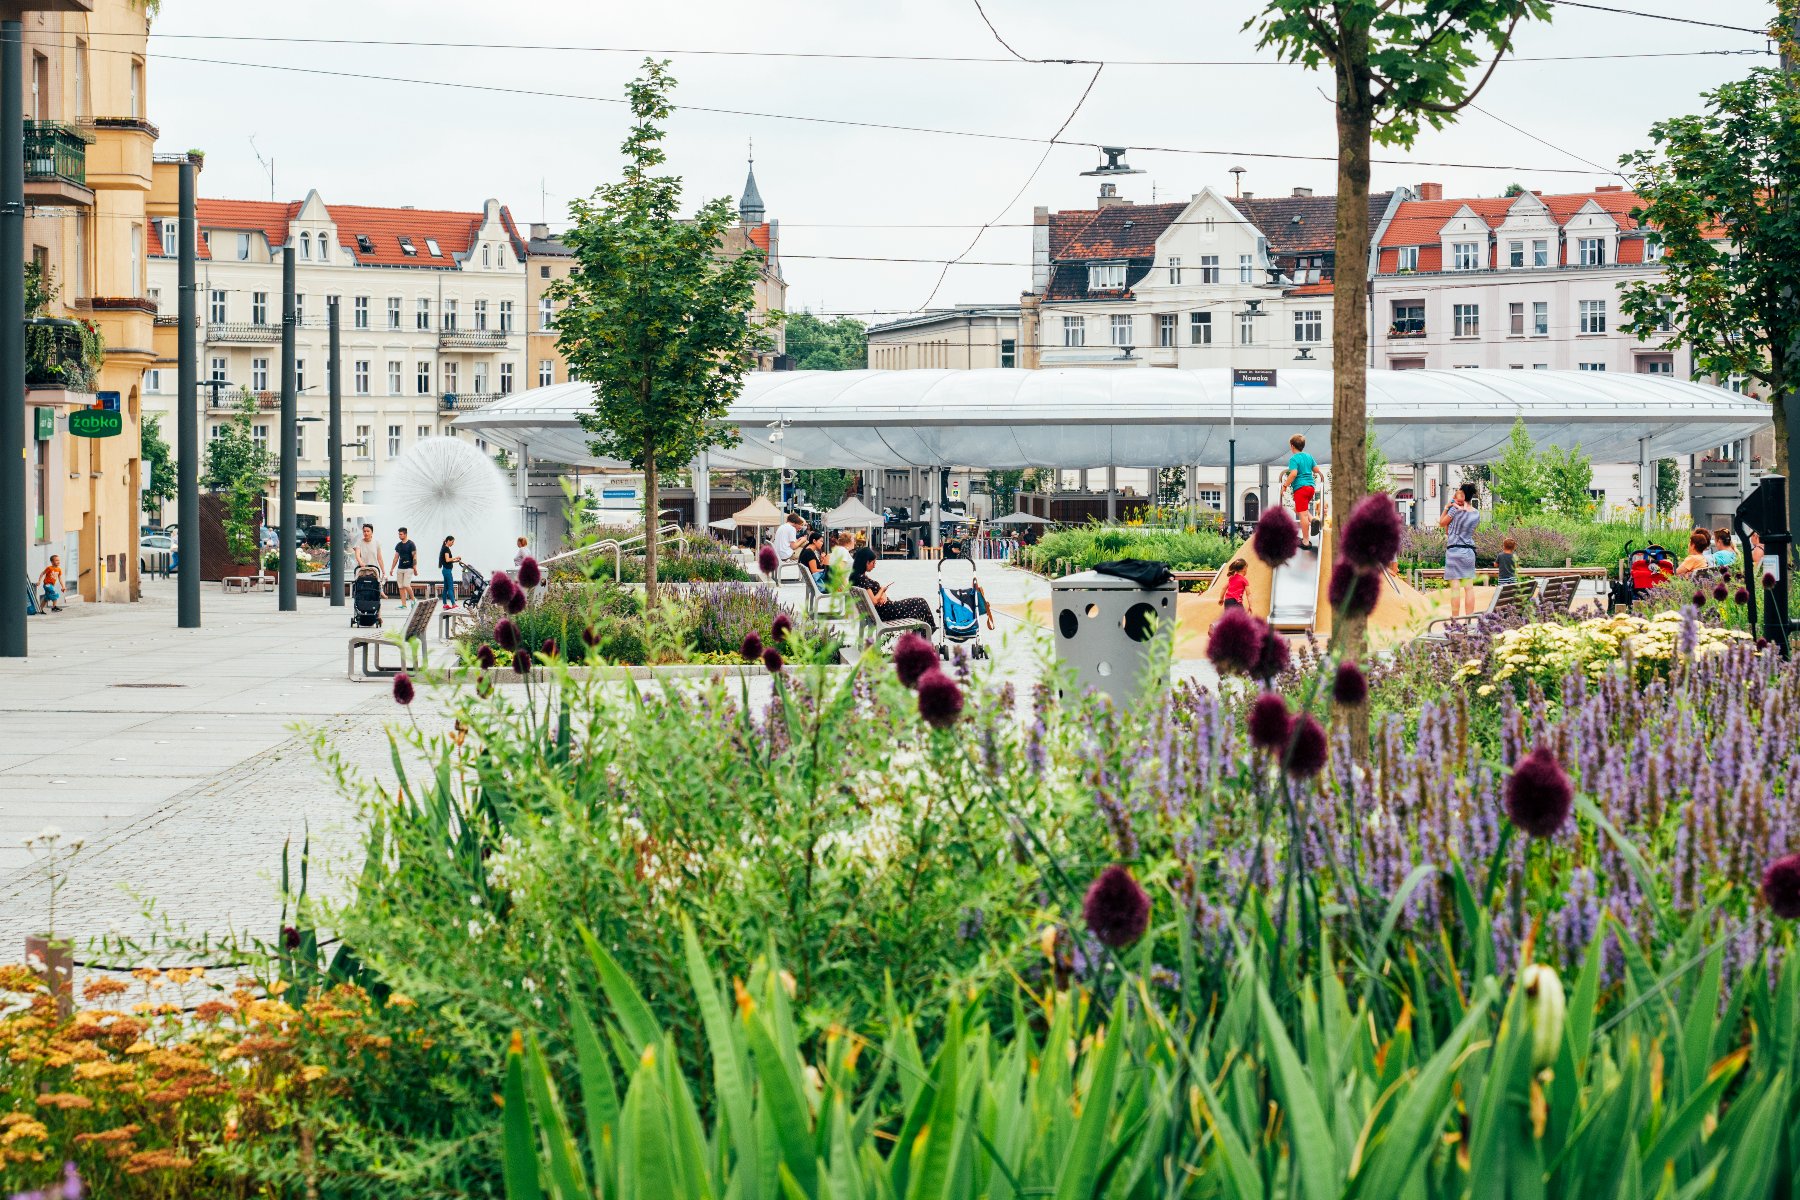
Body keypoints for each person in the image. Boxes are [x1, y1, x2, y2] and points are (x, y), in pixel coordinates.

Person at [849, 546, 935, 630]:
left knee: (919, 608)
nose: (874, 566)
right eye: (873, 563)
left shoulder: (858, 577)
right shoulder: (862, 579)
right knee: (921, 602)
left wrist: (881, 596)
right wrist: (882, 590)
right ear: (867, 562)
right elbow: (873, 601)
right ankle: (929, 631)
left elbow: (872, 599)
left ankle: (921, 636)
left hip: (883, 611)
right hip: (887, 612)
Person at [1438, 483, 1482, 618]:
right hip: (1468, 552)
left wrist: (1447, 507)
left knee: (1455, 589)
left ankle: (1455, 620)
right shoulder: (1476, 513)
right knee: (1469, 588)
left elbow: (1441, 523)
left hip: (1454, 551)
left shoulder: (1454, 510)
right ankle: (1469, 619)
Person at [1280, 434, 1319, 549]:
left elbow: (1293, 474)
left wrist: (1285, 486)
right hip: (1311, 488)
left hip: (1301, 488)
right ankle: (1313, 520)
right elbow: (1316, 470)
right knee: (1298, 509)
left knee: (1302, 514)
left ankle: (1306, 542)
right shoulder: (1309, 456)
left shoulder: (1294, 459)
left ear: (1292, 446)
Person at [393, 526, 419, 606]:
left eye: (401, 534)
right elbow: (396, 557)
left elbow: (414, 556)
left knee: (406, 585)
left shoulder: (411, 544)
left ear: (405, 534)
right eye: (399, 534)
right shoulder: (398, 545)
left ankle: (413, 599)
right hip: (400, 568)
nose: (399, 536)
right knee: (400, 587)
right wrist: (392, 569)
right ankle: (403, 604)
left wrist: (415, 567)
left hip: (409, 567)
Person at [438, 536, 462, 609]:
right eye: (452, 542)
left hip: (445, 570)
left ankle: (445, 604)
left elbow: (447, 561)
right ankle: (453, 604)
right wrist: (456, 557)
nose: (453, 543)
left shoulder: (444, 548)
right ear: (448, 541)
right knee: (450, 587)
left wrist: (456, 561)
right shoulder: (446, 549)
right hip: (447, 571)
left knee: (446, 588)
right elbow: (448, 560)